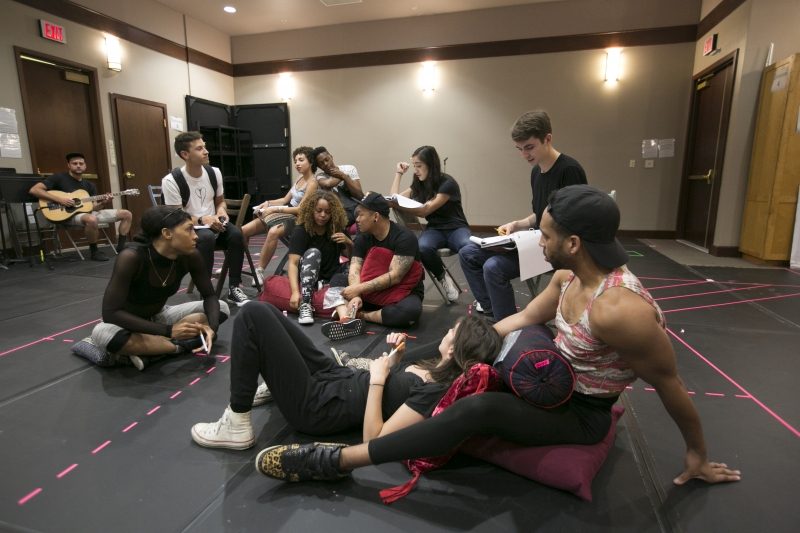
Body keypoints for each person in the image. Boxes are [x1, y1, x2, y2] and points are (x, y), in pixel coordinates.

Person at [256, 185, 742, 490]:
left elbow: (671, 385)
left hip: (579, 412)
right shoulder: (567, 277)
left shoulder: (621, 311)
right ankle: (377, 373)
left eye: (546, 236)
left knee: (478, 408)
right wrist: (459, 342)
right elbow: (525, 316)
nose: (539, 242)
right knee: (458, 344)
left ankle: (339, 461)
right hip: (546, 376)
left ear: (574, 243)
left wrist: (697, 454)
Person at [190, 304, 501, 450]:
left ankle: (236, 423)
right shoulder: (437, 367)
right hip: (338, 378)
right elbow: (395, 388)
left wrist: (378, 379)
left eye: (451, 332)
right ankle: (276, 379)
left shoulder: (434, 392)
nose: (446, 332)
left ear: (454, 349)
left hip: (318, 406)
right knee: (265, 311)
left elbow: (374, 440)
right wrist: (396, 359)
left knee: (251, 316)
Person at [459, 110, 587, 321]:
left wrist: (532, 240)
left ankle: (509, 327)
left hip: (557, 249)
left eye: (529, 147)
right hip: (535, 241)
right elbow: (540, 213)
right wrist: (517, 225)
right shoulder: (536, 172)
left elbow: (576, 222)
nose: (524, 155)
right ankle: (492, 310)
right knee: (467, 253)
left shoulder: (569, 170)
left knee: (493, 267)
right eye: (520, 149)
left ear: (547, 139)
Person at [71, 205, 229, 371]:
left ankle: (150, 350)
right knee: (102, 334)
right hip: (127, 324)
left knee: (222, 307)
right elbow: (111, 313)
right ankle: (179, 347)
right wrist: (169, 331)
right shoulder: (131, 257)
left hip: (160, 316)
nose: (196, 236)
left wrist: (212, 328)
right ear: (167, 233)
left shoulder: (191, 256)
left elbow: (209, 296)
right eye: (189, 229)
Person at [162, 131, 250, 307]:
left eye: (205, 146)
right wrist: (203, 220)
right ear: (185, 154)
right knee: (206, 238)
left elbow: (220, 201)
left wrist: (221, 212)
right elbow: (176, 216)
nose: (206, 151)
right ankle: (207, 292)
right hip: (188, 228)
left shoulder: (214, 172)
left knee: (236, 234)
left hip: (214, 224)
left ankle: (234, 287)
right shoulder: (171, 180)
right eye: (199, 148)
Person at [321, 192, 425, 340]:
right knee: (338, 279)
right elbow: (355, 268)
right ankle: (346, 321)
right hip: (368, 292)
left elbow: (395, 276)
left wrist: (358, 289)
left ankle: (361, 316)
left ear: (375, 216)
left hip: (399, 292)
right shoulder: (363, 236)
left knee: (410, 311)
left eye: (360, 215)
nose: (356, 219)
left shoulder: (404, 237)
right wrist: (356, 295)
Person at [388, 145, 469, 302]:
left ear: (430, 165)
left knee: (468, 247)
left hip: (456, 228)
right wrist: (398, 173)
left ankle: (482, 292)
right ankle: (442, 276)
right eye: (414, 166)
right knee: (422, 248)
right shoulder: (419, 183)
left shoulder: (447, 183)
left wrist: (397, 204)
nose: (416, 170)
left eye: (419, 166)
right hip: (435, 229)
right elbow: (394, 198)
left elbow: (425, 211)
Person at [29, 152, 132, 261]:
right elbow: (34, 190)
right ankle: (94, 251)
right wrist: (60, 200)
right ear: (69, 165)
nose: (78, 166)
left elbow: (93, 207)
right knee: (91, 219)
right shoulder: (58, 178)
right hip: (66, 215)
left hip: (86, 213)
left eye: (81, 163)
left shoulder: (89, 185)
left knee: (126, 214)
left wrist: (103, 202)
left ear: (85, 166)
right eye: (75, 163)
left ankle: (121, 247)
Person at [241, 146, 318, 285]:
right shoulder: (300, 178)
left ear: (311, 162)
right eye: (295, 161)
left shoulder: (312, 182)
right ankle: (236, 267)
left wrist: (274, 209)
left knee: (273, 232)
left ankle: (259, 271)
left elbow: (300, 210)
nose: (297, 163)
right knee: (243, 231)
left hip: (299, 218)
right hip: (286, 212)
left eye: (301, 160)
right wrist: (267, 203)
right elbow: (284, 200)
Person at [283, 190, 352, 325]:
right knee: (313, 253)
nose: (323, 215)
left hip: (332, 275)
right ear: (311, 210)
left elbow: (351, 258)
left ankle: (333, 292)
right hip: (309, 275)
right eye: (319, 211)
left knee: (355, 265)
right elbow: (293, 263)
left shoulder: (336, 229)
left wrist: (349, 242)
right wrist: (295, 292)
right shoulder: (301, 231)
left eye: (327, 212)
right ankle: (306, 303)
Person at [313, 146, 364, 227]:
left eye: (327, 159)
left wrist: (344, 176)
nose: (325, 164)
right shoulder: (320, 176)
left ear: (331, 157)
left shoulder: (349, 169)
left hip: (355, 207)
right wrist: (343, 176)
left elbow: (360, 195)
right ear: (319, 167)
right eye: (321, 163)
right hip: (339, 211)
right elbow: (328, 184)